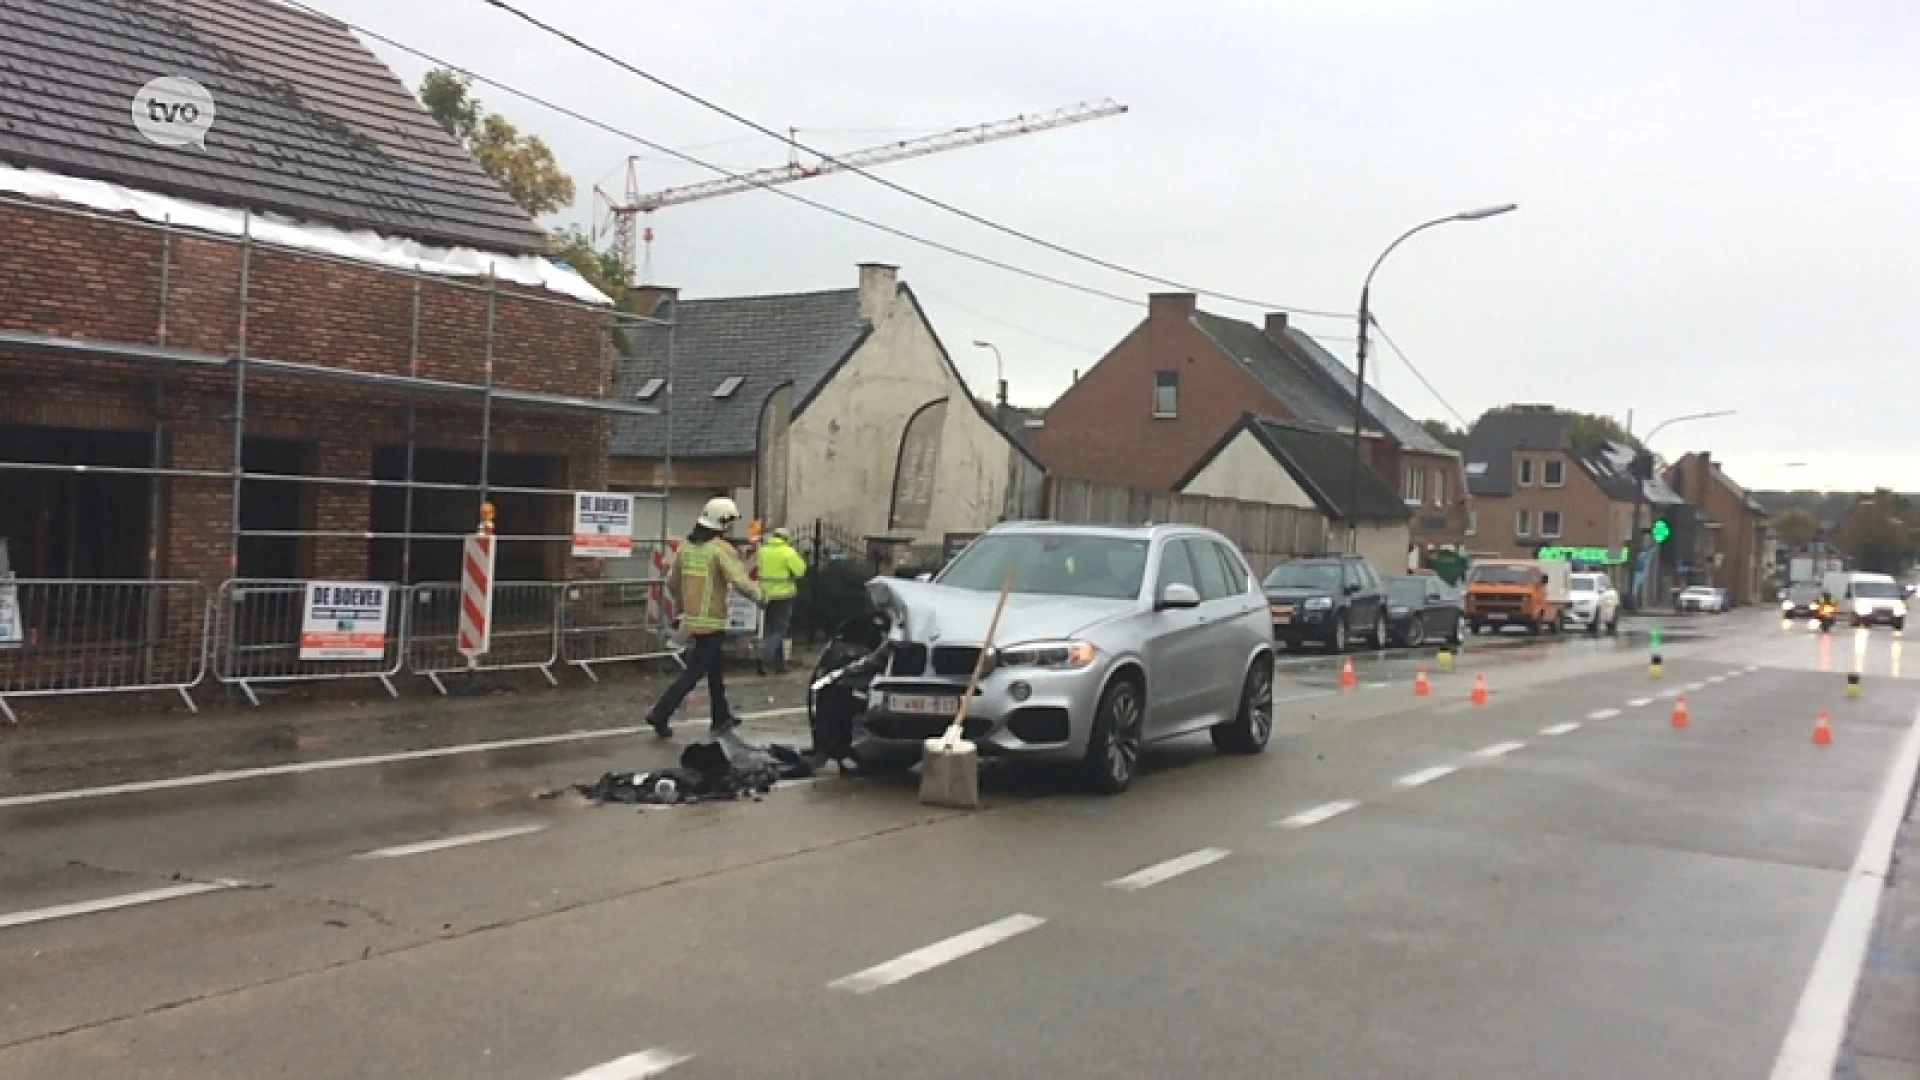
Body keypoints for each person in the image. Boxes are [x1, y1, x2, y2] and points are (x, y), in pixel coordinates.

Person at [644, 497, 764, 739]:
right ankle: (661, 712)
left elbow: (672, 582)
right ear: (722, 522)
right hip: (712, 619)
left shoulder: (686, 548)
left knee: (714, 669)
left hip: (693, 618)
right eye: (729, 523)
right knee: (695, 672)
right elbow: (738, 580)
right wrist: (760, 596)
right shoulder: (720, 550)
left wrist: (682, 605)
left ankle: (721, 717)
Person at [754, 526, 807, 675]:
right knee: (780, 629)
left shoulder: (763, 550)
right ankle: (764, 655)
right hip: (784, 594)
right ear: (786, 538)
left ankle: (779, 665)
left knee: (769, 629)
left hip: (764, 594)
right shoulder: (788, 552)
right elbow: (801, 571)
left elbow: (757, 568)